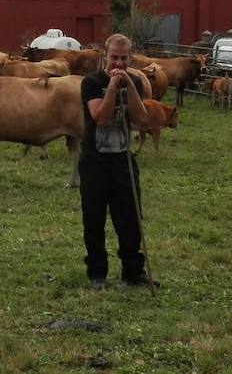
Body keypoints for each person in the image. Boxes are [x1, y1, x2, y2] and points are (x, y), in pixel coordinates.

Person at [79, 33, 156, 290]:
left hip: (123, 158)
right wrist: (112, 86)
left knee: (130, 218)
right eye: (114, 58)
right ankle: (97, 274)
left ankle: (133, 273)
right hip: (95, 160)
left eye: (124, 58)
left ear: (130, 58)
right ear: (105, 56)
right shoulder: (91, 83)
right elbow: (100, 118)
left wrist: (130, 86)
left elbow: (142, 119)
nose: (119, 64)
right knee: (94, 219)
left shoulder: (134, 80)